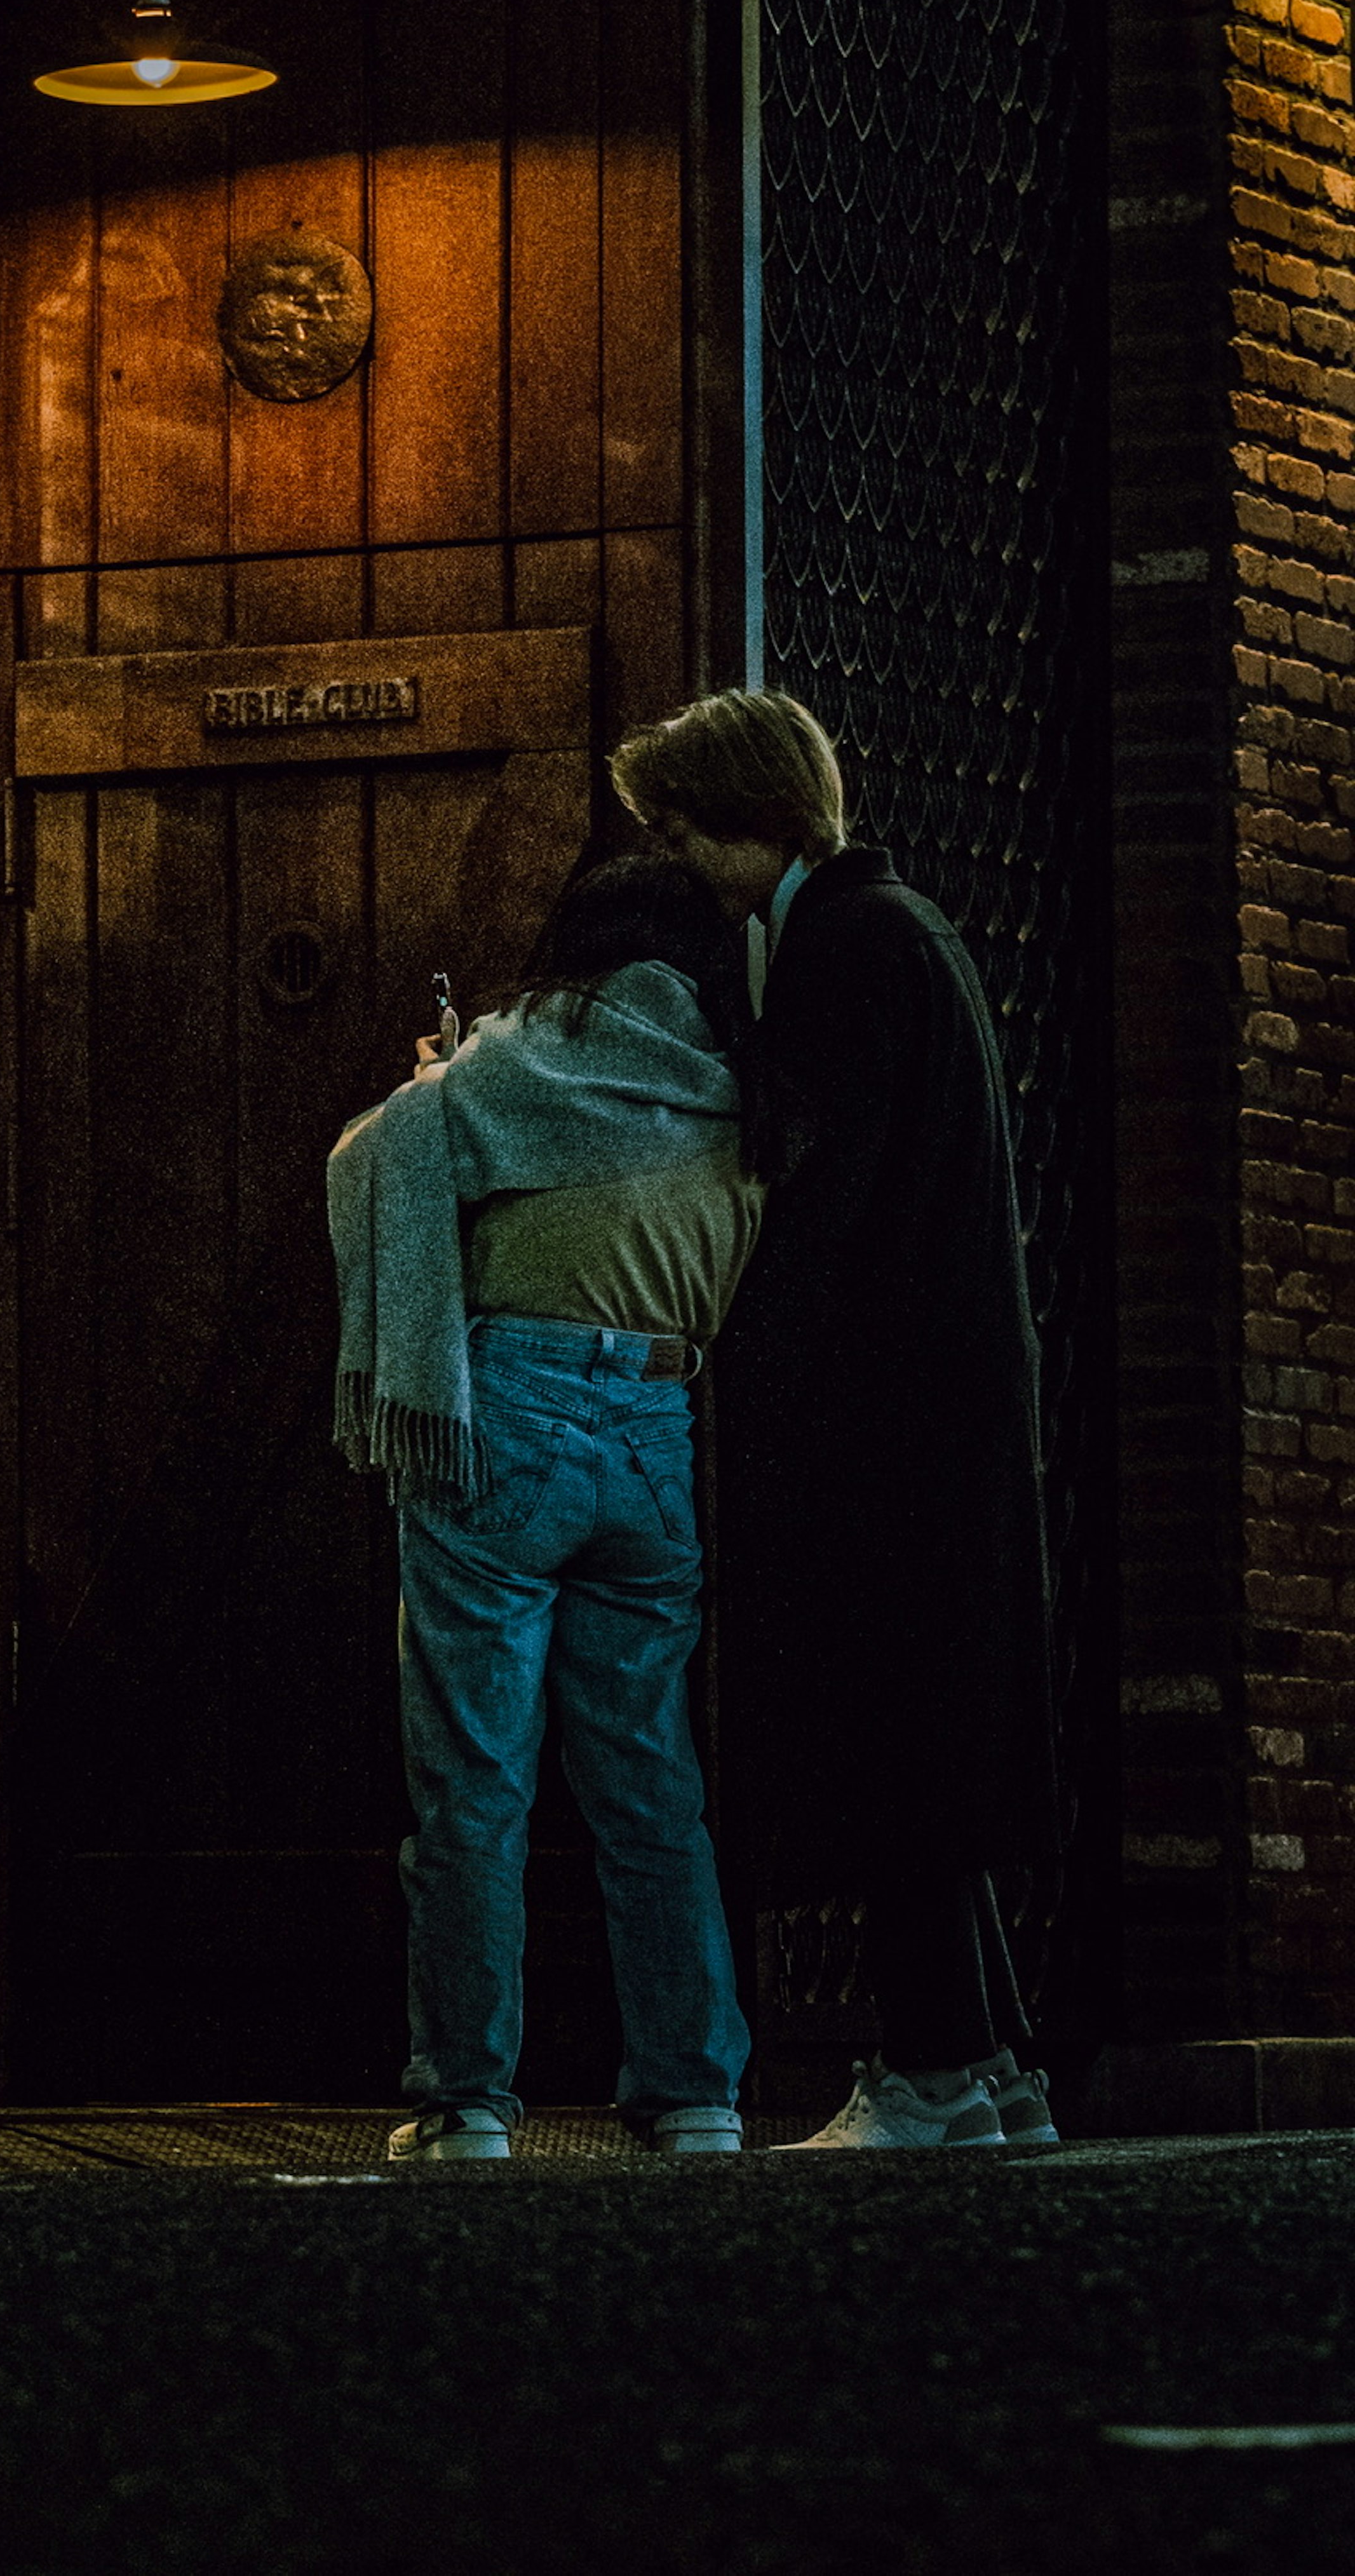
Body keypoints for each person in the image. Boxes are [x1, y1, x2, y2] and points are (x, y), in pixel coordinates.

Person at [609, 686, 1062, 2155]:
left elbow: (818, 1195)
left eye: (683, 826)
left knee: (895, 1739)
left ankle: (929, 2070)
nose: (675, 859)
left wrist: (728, 1355)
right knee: (939, 1729)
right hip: (956, 1402)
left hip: (888, 1418)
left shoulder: (840, 952)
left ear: (753, 820)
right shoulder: (910, 929)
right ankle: (989, 2058)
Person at [329, 855, 764, 2169]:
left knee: (475, 1772)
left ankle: (467, 2101)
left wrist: (428, 1082)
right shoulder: (738, 1080)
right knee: (650, 1777)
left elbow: (372, 1159)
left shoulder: (523, 1060)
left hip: (501, 1413)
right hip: (658, 1415)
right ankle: (696, 2092)